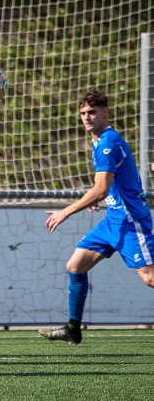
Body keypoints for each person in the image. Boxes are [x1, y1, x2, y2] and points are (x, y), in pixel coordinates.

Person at [40, 89, 154, 344]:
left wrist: (66, 212)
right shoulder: (98, 140)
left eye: (92, 112)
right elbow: (107, 188)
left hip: (129, 221)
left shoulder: (108, 142)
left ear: (105, 112)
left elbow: (100, 188)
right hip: (113, 220)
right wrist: (100, 199)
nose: (87, 117)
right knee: (75, 266)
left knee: (149, 278)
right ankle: (73, 327)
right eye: (83, 113)